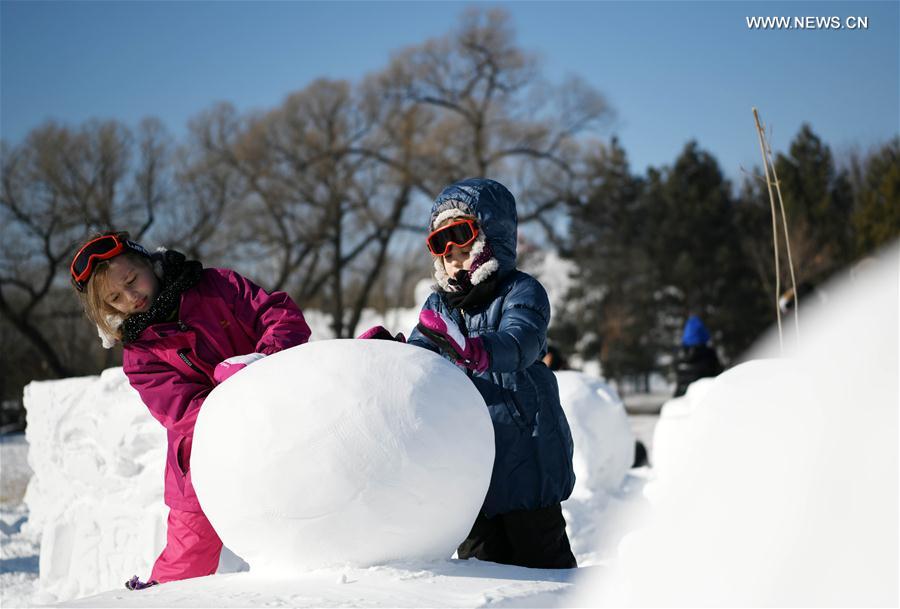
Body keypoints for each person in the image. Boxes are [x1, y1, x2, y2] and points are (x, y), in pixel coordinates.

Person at [70, 231, 311, 589]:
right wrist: (239, 399)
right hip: (201, 453)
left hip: (283, 412)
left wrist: (263, 365)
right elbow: (183, 412)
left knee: (313, 502)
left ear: (148, 262)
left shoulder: (217, 285)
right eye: (115, 298)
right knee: (188, 552)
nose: (131, 297)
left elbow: (281, 317)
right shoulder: (140, 358)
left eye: (132, 280)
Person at [362, 178, 577, 569]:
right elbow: (422, 362)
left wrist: (476, 351)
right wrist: (390, 357)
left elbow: (522, 340)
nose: (455, 260)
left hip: (527, 458)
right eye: (446, 254)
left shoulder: (520, 292)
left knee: (544, 566)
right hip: (470, 466)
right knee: (482, 570)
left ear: (490, 242)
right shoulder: (439, 308)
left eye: (464, 248)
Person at [673, 314, 722, 397]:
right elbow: (718, 375)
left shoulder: (679, 354)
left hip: (680, 396)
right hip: (703, 397)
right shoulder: (708, 353)